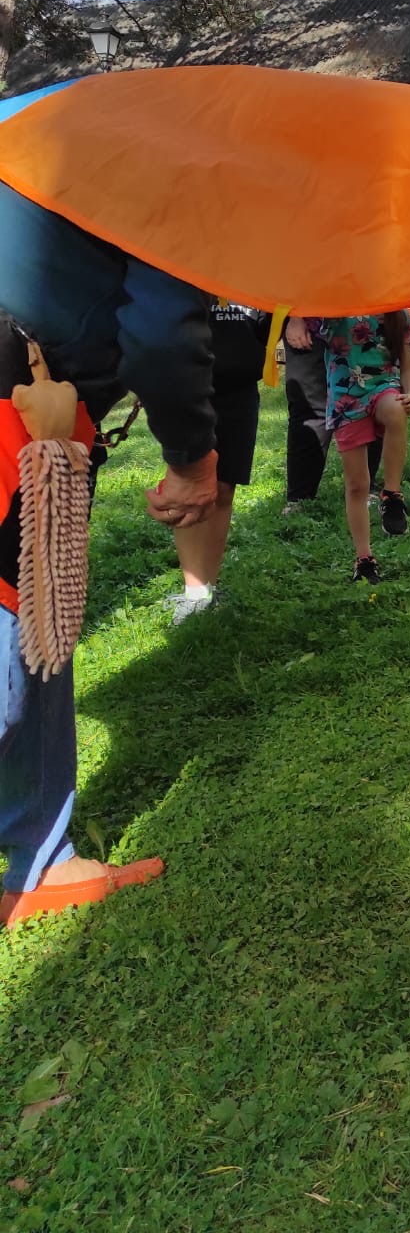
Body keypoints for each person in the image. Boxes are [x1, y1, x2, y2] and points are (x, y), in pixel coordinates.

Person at [0, 185, 218, 926]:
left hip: (38, 406)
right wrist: (192, 455)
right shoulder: (172, 165)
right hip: (15, 411)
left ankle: (42, 858)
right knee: (14, 626)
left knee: (38, 622)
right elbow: (159, 329)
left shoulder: (40, 140)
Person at [164, 301, 270, 624]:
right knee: (189, 483)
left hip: (241, 390)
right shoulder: (197, 273)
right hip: (191, 386)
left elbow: (270, 324)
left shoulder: (259, 277)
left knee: (224, 489)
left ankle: (208, 586)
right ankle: (193, 590)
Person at [322, 311, 410, 583]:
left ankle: (392, 496)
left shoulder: (397, 312)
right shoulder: (335, 306)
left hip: (382, 386)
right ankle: (364, 559)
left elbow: (408, 365)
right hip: (345, 400)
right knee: (357, 485)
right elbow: (308, 310)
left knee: (396, 409)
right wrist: (294, 322)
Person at [281, 314, 379, 514]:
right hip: (309, 322)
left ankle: (365, 488)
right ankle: (299, 498)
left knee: (368, 398)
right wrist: (295, 317)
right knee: (307, 408)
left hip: (363, 320)